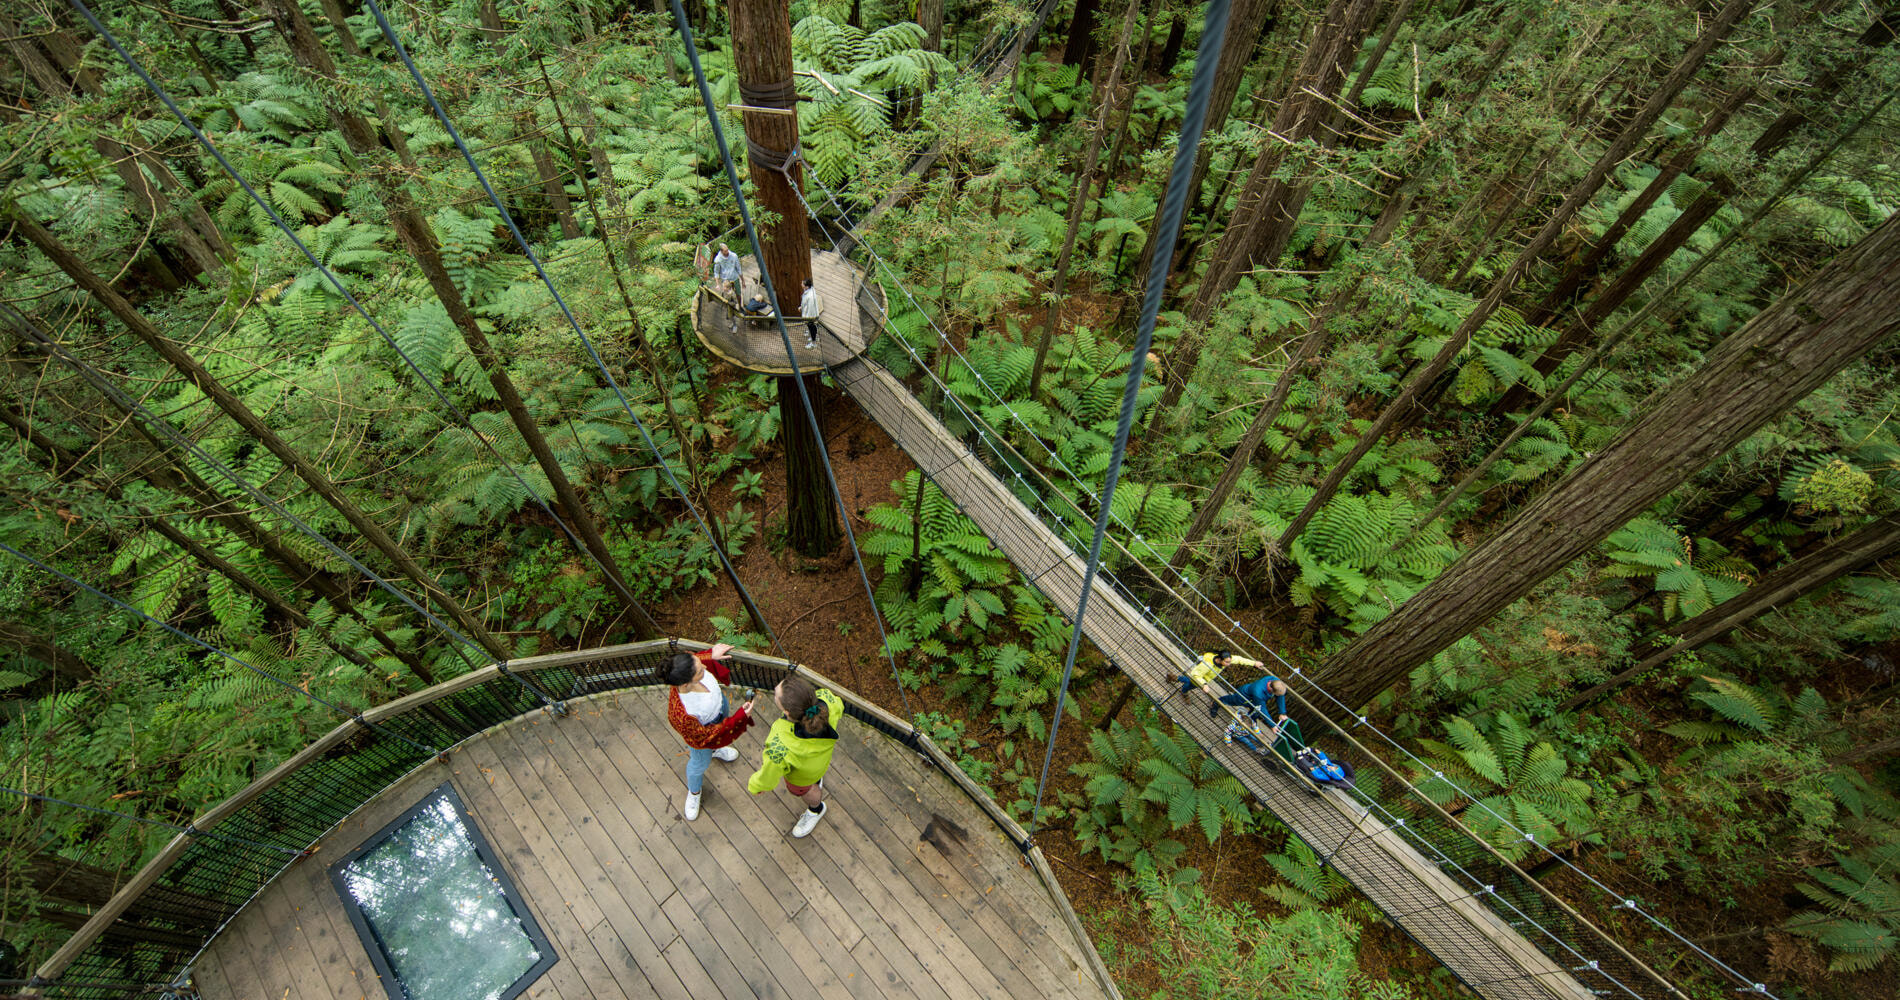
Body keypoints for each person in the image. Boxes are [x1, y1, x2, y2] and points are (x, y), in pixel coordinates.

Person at [662, 642, 757, 821]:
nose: (705, 666)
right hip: (703, 731)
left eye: (700, 662)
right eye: (700, 671)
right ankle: (694, 791)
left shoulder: (690, 663)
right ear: (686, 683)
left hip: (719, 707)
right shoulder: (683, 715)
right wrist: (739, 718)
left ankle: (716, 749)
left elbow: (697, 658)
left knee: (719, 729)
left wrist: (711, 654)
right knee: (699, 764)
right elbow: (705, 736)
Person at [747, 673, 843, 838]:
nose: (775, 691)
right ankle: (817, 781)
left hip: (802, 776)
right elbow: (839, 705)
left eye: (776, 694)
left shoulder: (781, 743)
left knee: (803, 790)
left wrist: (756, 786)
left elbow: (770, 772)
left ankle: (816, 809)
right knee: (815, 778)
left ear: (785, 711)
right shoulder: (826, 701)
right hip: (821, 761)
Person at [1174, 650, 1263, 695]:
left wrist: (1254, 663)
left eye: (1229, 662)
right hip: (1200, 679)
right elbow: (1195, 674)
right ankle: (1183, 692)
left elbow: (1239, 659)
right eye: (1227, 662)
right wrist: (1204, 684)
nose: (1229, 664)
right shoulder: (1208, 664)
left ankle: (1175, 678)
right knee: (1190, 684)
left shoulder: (1224, 661)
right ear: (1220, 660)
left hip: (1205, 678)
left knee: (1189, 681)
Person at [1216, 674, 1290, 724]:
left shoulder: (1276, 682)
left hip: (1256, 700)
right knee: (1231, 701)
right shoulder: (1258, 691)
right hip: (1244, 696)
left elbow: (1280, 695)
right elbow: (1262, 709)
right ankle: (1217, 702)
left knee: (1255, 713)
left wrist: (1282, 712)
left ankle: (1250, 723)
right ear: (1272, 691)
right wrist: (1273, 725)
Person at [797, 277, 824, 349]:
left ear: (806, 286)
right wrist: (801, 307)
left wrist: (807, 318)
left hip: (810, 316)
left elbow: (810, 309)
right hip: (809, 314)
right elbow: (805, 303)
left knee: (812, 327)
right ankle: (811, 334)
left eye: (802, 283)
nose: (801, 284)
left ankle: (813, 342)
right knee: (811, 327)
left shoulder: (810, 296)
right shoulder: (809, 291)